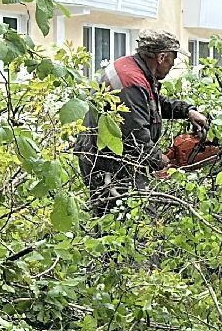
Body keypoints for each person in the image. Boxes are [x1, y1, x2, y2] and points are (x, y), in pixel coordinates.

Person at [74, 30, 210, 213]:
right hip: (108, 161)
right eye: (173, 59)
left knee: (129, 214)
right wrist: (162, 160)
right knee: (132, 216)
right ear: (161, 57)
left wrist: (187, 111)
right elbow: (135, 136)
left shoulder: (133, 70)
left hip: (113, 154)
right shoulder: (130, 81)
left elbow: (150, 103)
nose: (172, 66)